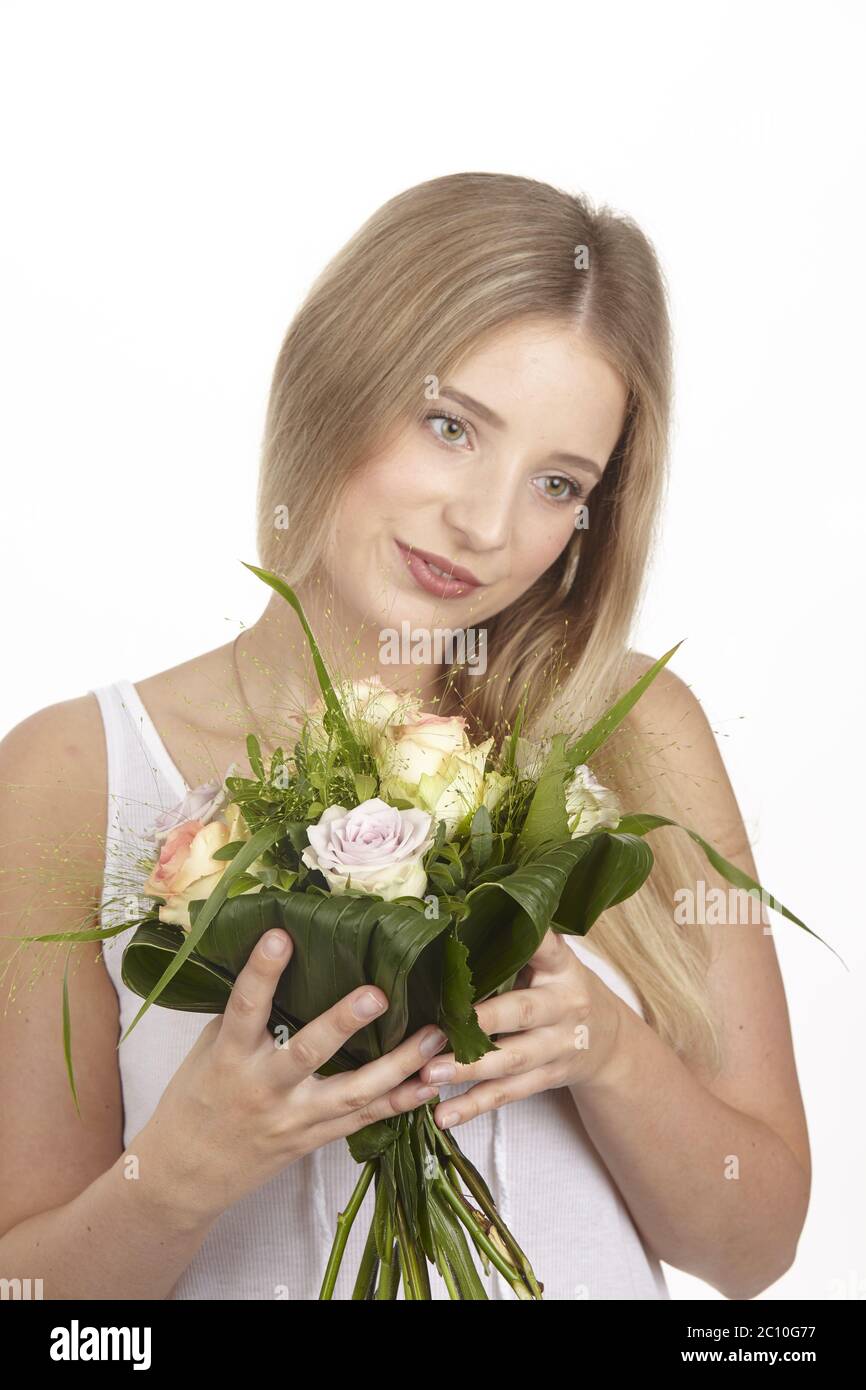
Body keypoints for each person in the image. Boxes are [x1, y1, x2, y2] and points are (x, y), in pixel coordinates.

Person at [0, 172, 810, 1300]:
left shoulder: (630, 735)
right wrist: (178, 1175)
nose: (482, 525)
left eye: (555, 482)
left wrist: (605, 1054)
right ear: (337, 376)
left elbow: (754, 1244)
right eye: (449, 427)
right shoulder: (75, 772)